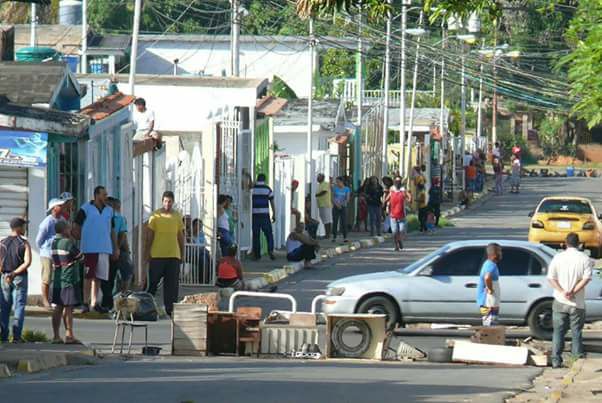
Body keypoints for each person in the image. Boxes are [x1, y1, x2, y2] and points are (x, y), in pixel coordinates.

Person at [547, 233, 593, 368]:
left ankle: (556, 360)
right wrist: (573, 291)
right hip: (577, 303)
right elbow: (586, 279)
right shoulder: (585, 259)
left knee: (558, 332)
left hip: (560, 301)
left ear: (565, 243)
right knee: (576, 332)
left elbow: (551, 278)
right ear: (579, 243)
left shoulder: (558, 257)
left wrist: (563, 291)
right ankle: (576, 362)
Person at [73, 186, 118, 314]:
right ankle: (85, 302)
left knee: (98, 277)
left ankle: (94, 302)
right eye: (104, 194)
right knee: (88, 276)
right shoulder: (85, 208)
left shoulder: (109, 210)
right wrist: (81, 238)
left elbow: (113, 230)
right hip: (90, 248)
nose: (106, 197)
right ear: (97, 195)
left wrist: (115, 247)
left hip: (104, 248)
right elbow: (76, 225)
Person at [145, 191, 185, 317]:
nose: (167, 204)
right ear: (162, 201)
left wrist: (182, 253)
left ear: (173, 202)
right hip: (157, 255)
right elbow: (149, 236)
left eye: (170, 201)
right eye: (165, 201)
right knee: (153, 283)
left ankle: (170, 310)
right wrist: (147, 252)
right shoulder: (155, 216)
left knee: (172, 285)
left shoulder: (177, 216)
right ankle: (147, 307)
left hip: (173, 255)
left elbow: (181, 237)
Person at [50, 220, 83, 344]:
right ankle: (69, 335)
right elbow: (80, 257)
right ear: (64, 230)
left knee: (58, 307)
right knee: (68, 308)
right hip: (69, 279)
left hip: (57, 279)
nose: (71, 231)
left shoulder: (54, 242)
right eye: (69, 229)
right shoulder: (68, 243)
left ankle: (56, 336)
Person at [0, 218, 31, 343]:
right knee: (19, 307)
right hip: (19, 277)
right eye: (23, 226)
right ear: (18, 228)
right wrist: (14, 273)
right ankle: (17, 336)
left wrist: (6, 274)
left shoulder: (2, 242)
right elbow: (27, 262)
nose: (24, 229)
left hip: (5, 277)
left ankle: (4, 336)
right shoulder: (24, 243)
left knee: (4, 307)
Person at [101, 197, 133, 309]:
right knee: (126, 273)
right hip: (116, 251)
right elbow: (122, 236)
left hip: (107, 250)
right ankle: (122, 296)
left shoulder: (107, 218)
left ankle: (109, 301)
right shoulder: (119, 218)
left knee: (108, 277)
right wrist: (119, 249)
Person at [35, 198, 66, 308]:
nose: (62, 208)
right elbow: (38, 240)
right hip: (47, 254)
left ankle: (56, 299)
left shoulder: (62, 219)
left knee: (58, 278)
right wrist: (45, 249)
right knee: (47, 277)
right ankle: (45, 300)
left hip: (58, 253)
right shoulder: (47, 222)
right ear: (54, 208)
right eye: (60, 206)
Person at [251, 174, 276, 260]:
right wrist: (274, 213)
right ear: (264, 179)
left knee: (256, 235)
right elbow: (272, 202)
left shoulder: (253, 189)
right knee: (269, 234)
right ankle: (270, 250)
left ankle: (257, 255)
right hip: (265, 215)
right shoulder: (267, 189)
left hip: (254, 215)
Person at [477, 243, 502, 327]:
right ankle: (490, 339)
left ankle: (490, 338)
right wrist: (490, 289)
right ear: (494, 254)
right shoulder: (491, 265)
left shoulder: (488, 264)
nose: (501, 253)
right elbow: (487, 277)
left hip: (488, 301)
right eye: (499, 251)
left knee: (490, 323)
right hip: (487, 301)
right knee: (490, 324)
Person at [389, 175, 411, 251]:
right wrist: (384, 203)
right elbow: (389, 196)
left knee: (401, 230)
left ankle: (400, 240)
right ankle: (396, 246)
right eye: (396, 181)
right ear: (394, 182)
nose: (397, 183)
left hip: (402, 214)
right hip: (393, 214)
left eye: (399, 181)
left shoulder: (403, 189)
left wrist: (409, 199)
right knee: (394, 232)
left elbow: (408, 196)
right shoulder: (392, 189)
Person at [332, 176, 351, 243]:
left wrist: (342, 204)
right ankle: (334, 236)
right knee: (335, 221)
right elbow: (333, 197)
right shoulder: (335, 188)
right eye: (336, 182)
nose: (337, 183)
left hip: (343, 207)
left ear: (342, 182)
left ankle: (345, 237)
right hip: (336, 207)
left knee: (344, 222)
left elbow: (347, 198)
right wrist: (337, 204)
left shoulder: (347, 189)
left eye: (338, 182)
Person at [315, 173, 333, 239]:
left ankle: (328, 234)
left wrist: (317, 195)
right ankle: (327, 234)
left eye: (318, 177)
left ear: (322, 178)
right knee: (324, 219)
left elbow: (324, 192)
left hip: (326, 204)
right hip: (321, 204)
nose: (317, 178)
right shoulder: (319, 185)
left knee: (327, 220)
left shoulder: (325, 184)